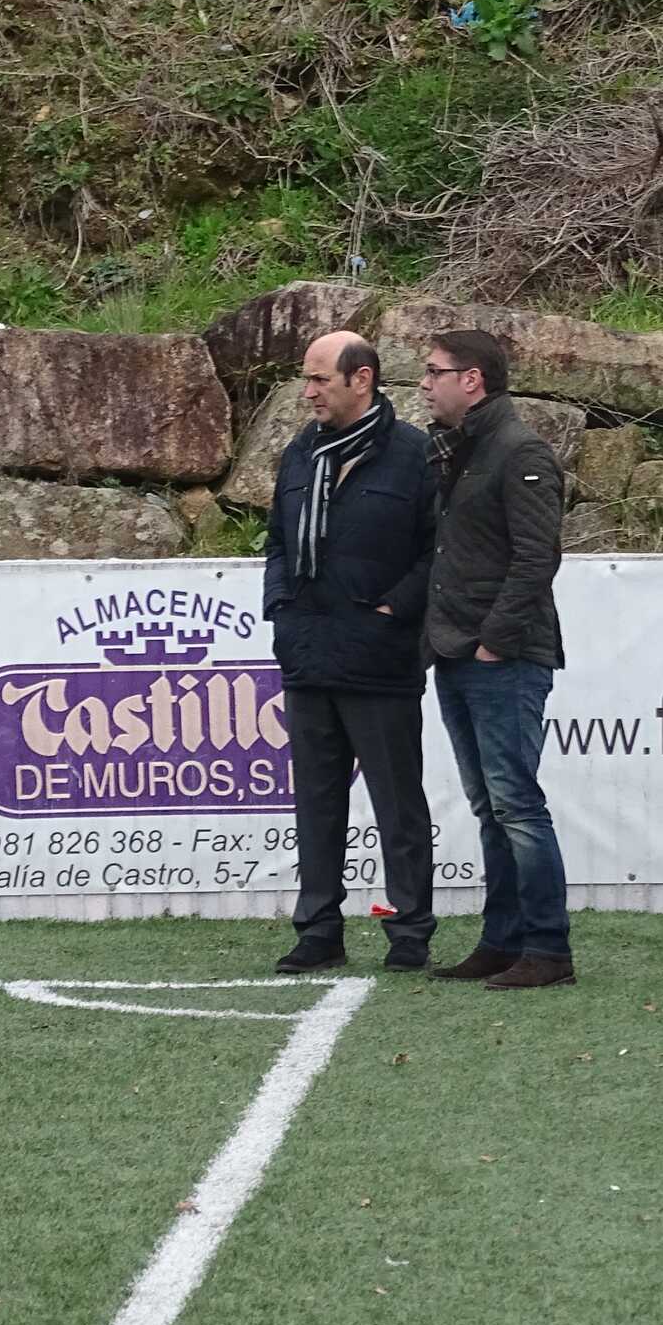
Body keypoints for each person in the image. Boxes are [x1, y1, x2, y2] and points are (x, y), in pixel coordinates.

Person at [261, 331, 436, 975]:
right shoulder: (299, 453)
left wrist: (393, 611)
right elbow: (278, 542)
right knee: (316, 804)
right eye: (306, 380)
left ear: (361, 380)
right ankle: (319, 931)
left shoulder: (415, 455)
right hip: (308, 655)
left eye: (319, 380)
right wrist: (281, 608)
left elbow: (436, 551)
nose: (307, 393)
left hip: (381, 660)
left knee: (398, 804)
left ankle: (410, 931)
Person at [417, 328, 575, 990]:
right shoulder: (460, 450)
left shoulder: (520, 450)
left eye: (434, 371)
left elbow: (538, 557)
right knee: (491, 807)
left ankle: (548, 948)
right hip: (458, 652)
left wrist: (494, 643)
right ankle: (502, 941)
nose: (424, 383)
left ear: (472, 380)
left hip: (500, 657)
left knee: (516, 805)